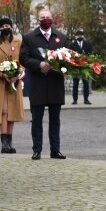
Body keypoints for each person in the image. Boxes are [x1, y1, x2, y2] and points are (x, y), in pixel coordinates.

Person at [20, 9, 68, 160]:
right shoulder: (28, 37)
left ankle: (55, 150)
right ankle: (37, 150)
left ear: (52, 19)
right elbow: (23, 58)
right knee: (37, 120)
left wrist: (60, 65)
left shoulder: (61, 37)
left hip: (55, 84)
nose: (45, 19)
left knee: (55, 120)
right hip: (37, 84)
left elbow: (69, 57)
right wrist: (39, 64)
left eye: (48, 17)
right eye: (42, 17)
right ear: (38, 20)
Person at [0, 18, 25, 154]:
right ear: (0, 29)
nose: (6, 27)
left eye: (8, 25)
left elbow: (22, 60)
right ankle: (4, 144)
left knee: (12, 112)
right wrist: (2, 74)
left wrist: (18, 73)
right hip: (0, 82)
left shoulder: (18, 42)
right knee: (3, 111)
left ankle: (9, 142)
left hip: (15, 82)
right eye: (3, 26)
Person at [68, 28, 92, 105]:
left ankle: (86, 99)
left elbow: (91, 54)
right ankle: (75, 100)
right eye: (78, 35)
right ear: (75, 36)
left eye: (81, 35)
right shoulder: (72, 45)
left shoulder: (87, 44)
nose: (79, 36)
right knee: (75, 84)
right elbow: (69, 55)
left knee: (86, 83)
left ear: (83, 36)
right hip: (76, 67)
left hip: (85, 66)